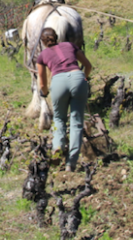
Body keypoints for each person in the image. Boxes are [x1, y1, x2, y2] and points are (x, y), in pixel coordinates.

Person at [36, 27, 93, 171]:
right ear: (57, 37)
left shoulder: (42, 56)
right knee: (76, 122)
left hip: (58, 82)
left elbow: (42, 83)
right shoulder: (70, 45)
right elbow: (88, 65)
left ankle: (57, 147)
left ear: (42, 42)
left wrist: (44, 93)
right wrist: (84, 79)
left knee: (59, 118)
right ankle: (71, 162)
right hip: (77, 78)